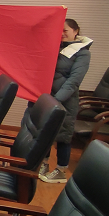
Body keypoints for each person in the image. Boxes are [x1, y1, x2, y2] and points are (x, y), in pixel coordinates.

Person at [39, 18, 92, 183]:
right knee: (44, 133)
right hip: (47, 98)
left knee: (63, 136)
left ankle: (61, 171)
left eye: (65, 30)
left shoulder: (82, 53)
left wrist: (55, 101)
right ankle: (43, 163)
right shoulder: (55, 47)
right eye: (59, 30)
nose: (62, 34)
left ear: (76, 31)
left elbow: (73, 81)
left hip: (65, 100)